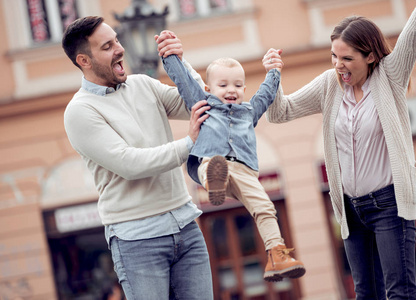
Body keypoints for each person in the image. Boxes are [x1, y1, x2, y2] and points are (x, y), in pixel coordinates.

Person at [263, 0, 416, 298]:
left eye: (346, 58)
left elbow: (415, 30)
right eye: (333, 55)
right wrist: (273, 76)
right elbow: (280, 112)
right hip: (351, 210)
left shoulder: (390, 76)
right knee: (365, 293)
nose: (338, 64)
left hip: (389, 205)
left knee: (399, 292)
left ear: (370, 55)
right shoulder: (329, 85)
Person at [62, 16, 213, 300]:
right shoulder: (80, 111)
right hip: (137, 239)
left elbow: (200, 104)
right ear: (84, 60)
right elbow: (130, 164)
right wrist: (189, 142)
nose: (119, 49)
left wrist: (180, 63)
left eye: (117, 40)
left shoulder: (144, 84)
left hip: (185, 225)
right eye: (107, 46)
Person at [155, 32, 306, 282]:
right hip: (212, 161)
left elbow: (266, 95)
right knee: (212, 165)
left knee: (265, 207)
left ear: (244, 89)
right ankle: (215, 181)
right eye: (223, 86)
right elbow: (182, 80)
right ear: (209, 89)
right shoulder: (203, 102)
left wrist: (274, 70)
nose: (231, 91)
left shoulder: (248, 112)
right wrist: (168, 54)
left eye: (237, 85)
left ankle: (277, 254)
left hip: (245, 171)